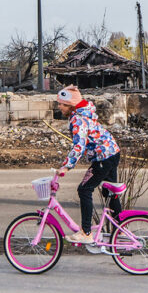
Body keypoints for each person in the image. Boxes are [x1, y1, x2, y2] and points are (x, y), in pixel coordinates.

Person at [53, 85, 122, 244]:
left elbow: (79, 145)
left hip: (104, 157)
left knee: (84, 189)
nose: (59, 107)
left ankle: (86, 232)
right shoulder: (82, 114)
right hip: (112, 152)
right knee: (110, 192)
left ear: (71, 105)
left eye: (62, 104)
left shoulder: (78, 119)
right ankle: (120, 230)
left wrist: (66, 166)